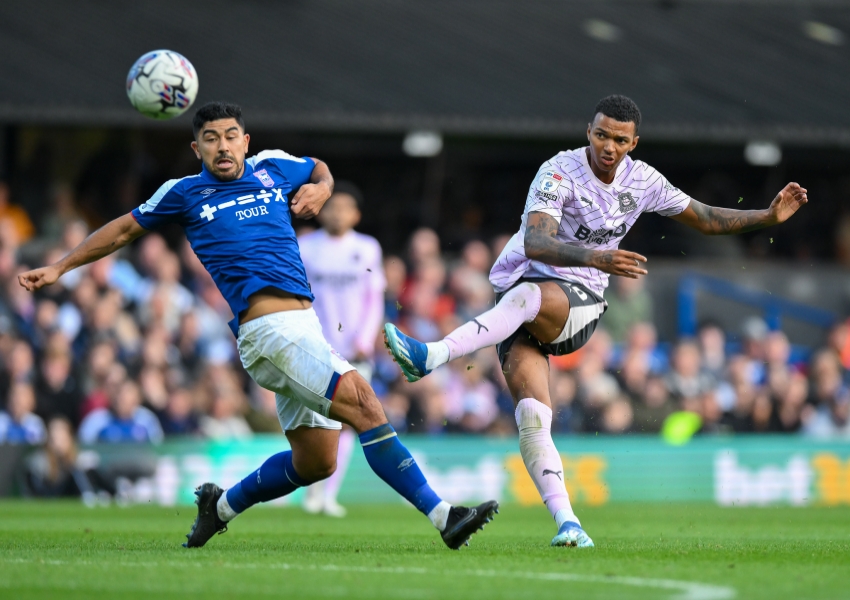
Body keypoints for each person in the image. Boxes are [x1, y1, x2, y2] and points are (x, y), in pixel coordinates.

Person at [18, 102, 497, 550]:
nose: (222, 146)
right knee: (366, 402)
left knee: (317, 461)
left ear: (245, 141)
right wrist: (60, 267)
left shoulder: (272, 167)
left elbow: (316, 167)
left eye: (230, 136)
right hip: (268, 331)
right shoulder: (184, 193)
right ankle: (444, 516)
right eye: (210, 139)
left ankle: (220, 506)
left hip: (304, 329)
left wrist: (324, 187)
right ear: (196, 149)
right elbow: (122, 229)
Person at [384, 94, 808, 548]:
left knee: (529, 296)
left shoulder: (643, 180)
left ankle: (432, 355)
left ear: (633, 143)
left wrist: (767, 215)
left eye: (620, 139)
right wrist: (599, 255)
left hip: (577, 302)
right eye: (602, 134)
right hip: (519, 301)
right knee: (531, 418)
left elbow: (702, 217)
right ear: (589, 131)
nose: (609, 145)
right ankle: (569, 524)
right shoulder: (558, 170)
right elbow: (536, 241)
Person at [298, 184, 386, 517]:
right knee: (314, 416)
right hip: (314, 345)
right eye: (332, 207)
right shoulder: (305, 247)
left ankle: (328, 494)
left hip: (355, 350)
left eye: (345, 207)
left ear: (356, 215)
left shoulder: (366, 248)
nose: (337, 213)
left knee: (350, 420)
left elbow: (373, 298)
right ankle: (312, 489)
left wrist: (365, 339)